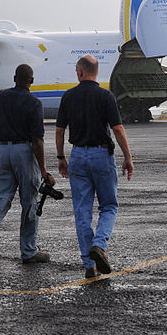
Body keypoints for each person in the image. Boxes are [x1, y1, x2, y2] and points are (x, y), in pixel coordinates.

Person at [55, 55, 134, 278]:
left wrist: (61, 157)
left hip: (78, 154)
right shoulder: (106, 96)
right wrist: (127, 156)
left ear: (80, 72)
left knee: (82, 211)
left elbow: (60, 130)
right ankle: (99, 245)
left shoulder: (68, 96)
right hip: (102, 154)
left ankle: (89, 265)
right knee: (109, 206)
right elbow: (118, 129)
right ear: (96, 72)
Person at [0, 64, 56, 270]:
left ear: (14, 78)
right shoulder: (34, 102)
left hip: (1, 151)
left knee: (1, 202)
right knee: (29, 203)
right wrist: (44, 170)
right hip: (24, 152)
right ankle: (29, 251)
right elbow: (37, 140)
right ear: (31, 81)